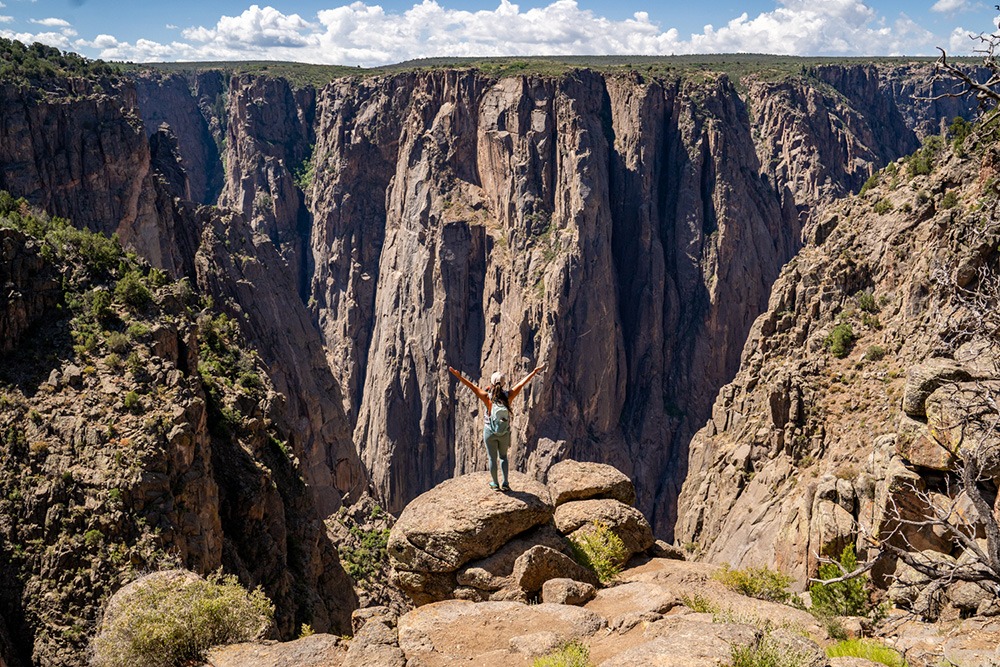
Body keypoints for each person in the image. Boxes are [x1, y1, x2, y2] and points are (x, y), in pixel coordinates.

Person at [448, 363, 547, 492]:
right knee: (503, 457)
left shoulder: (486, 397)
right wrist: (534, 372)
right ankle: (505, 483)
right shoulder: (509, 396)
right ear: (504, 383)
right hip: (504, 432)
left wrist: (459, 376)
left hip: (489, 432)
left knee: (492, 458)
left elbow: (471, 386)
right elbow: (522, 384)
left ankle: (495, 484)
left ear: (492, 383)